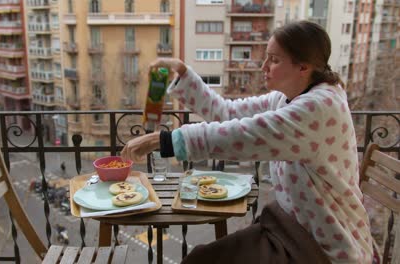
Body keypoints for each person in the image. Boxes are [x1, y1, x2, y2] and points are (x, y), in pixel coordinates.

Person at [121, 21, 373, 263]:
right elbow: (227, 114)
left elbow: (243, 135)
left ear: (303, 67)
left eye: (274, 60)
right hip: (291, 228)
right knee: (202, 257)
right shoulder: (287, 98)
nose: (264, 66)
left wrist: (163, 140)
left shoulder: (318, 108)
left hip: (326, 246)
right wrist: (183, 71)